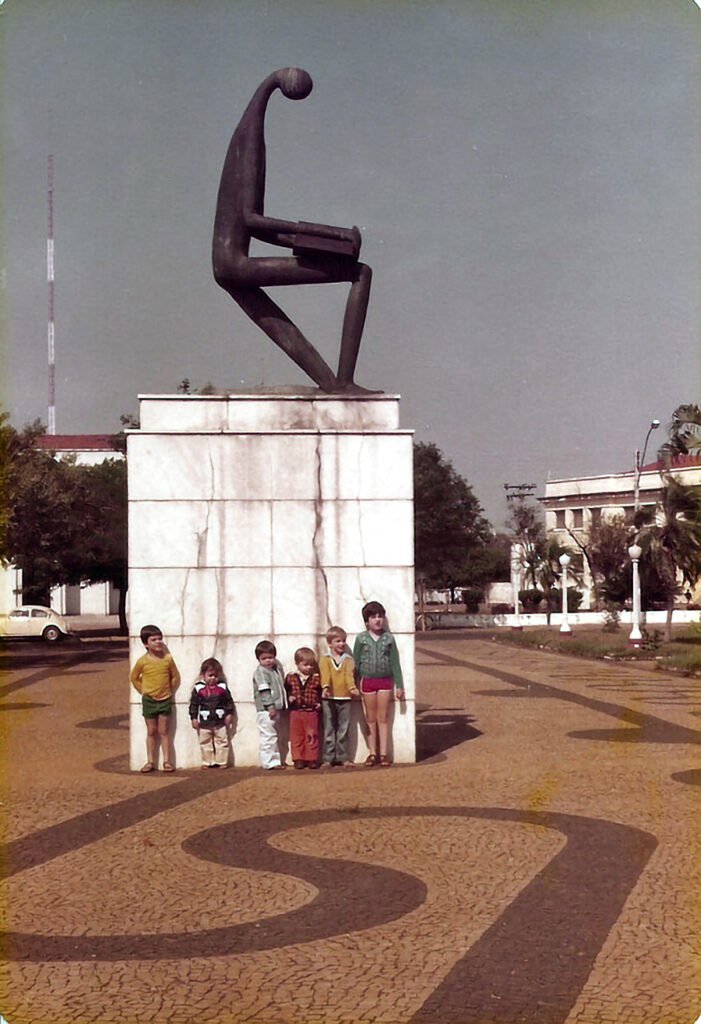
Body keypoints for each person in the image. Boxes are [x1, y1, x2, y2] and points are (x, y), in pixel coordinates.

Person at [212, 67, 374, 393]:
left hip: (227, 263)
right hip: (235, 264)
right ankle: (344, 381)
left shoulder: (242, 137)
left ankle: (335, 384)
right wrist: (334, 234)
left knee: (287, 335)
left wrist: (317, 242)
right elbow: (251, 220)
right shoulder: (252, 143)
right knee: (360, 273)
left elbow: (254, 228)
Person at [352, 601, 405, 768]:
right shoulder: (361, 638)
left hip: (384, 681)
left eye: (380, 616)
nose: (377, 620)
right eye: (373, 617)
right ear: (367, 621)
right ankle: (372, 753)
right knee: (370, 718)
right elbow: (356, 662)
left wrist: (400, 685)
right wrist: (354, 683)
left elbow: (395, 661)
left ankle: (383, 753)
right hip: (367, 681)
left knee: (383, 718)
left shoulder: (388, 638)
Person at [130, 624, 180, 773]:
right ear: (146, 643)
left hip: (165, 699)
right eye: (153, 639)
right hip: (149, 700)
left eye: (159, 639)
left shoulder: (168, 659)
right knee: (151, 731)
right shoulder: (142, 661)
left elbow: (175, 676)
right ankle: (150, 761)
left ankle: (167, 761)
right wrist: (144, 690)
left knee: (164, 731)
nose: (158, 642)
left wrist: (169, 691)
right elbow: (134, 678)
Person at [319, 626, 359, 767]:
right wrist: (325, 687)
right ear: (330, 643)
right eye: (338, 641)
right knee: (329, 728)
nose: (341, 644)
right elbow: (325, 675)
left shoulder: (348, 660)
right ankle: (328, 757)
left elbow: (349, 676)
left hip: (345, 698)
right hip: (328, 698)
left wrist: (352, 688)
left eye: (343, 641)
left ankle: (343, 756)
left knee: (343, 728)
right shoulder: (325, 659)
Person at [188, 657, 234, 768]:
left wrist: (229, 713)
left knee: (222, 741)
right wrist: (193, 718)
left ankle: (222, 761)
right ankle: (207, 762)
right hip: (204, 722)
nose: (213, 678)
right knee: (205, 742)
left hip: (220, 721)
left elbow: (229, 702)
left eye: (215, 675)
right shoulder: (199, 689)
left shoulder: (222, 688)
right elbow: (194, 704)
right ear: (203, 675)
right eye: (210, 675)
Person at [285, 647, 323, 769]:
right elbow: (286, 690)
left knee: (312, 736)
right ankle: (298, 758)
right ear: (297, 664)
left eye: (311, 665)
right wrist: (289, 698)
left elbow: (319, 692)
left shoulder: (316, 678)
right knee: (297, 736)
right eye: (305, 665)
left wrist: (319, 703)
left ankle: (311, 758)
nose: (309, 668)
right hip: (296, 711)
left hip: (311, 711)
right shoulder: (291, 677)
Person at [253, 640, 288, 770]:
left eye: (270, 657)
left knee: (273, 735)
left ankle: (274, 760)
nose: (268, 660)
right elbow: (264, 691)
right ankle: (269, 762)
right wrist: (270, 706)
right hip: (266, 710)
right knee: (268, 736)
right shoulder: (261, 672)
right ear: (258, 659)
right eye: (264, 658)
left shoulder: (275, 671)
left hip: (275, 708)